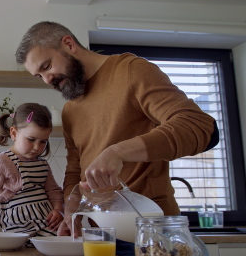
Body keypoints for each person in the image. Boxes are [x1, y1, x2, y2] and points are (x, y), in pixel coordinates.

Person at [14, 21, 218, 239]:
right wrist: (71, 211)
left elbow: (198, 125)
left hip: (150, 231)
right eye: (39, 76)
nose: (47, 80)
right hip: (96, 234)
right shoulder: (70, 110)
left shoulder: (131, 71)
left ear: (68, 44)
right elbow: (74, 170)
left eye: (46, 67)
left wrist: (118, 152)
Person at [0, 103, 65, 237]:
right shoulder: (0, 162)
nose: (37, 147)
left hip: (48, 225)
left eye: (43, 141)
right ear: (14, 133)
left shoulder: (42, 164)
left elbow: (53, 190)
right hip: (18, 227)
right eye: (31, 139)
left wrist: (58, 209)